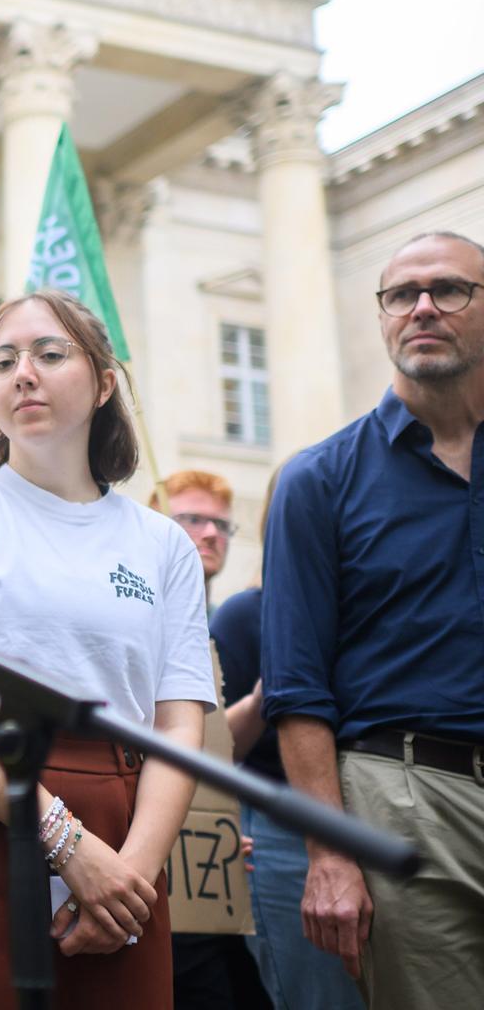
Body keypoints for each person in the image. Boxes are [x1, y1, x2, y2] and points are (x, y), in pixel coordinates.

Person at [0, 289, 214, 1010]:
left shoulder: (163, 544)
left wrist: (132, 877)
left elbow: (180, 723)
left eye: (49, 354)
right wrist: (66, 844)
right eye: (2, 361)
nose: (23, 373)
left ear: (104, 382)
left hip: (125, 837)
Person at [262, 230, 484, 1009]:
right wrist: (331, 851)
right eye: (401, 294)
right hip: (408, 798)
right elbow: (296, 685)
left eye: (449, 290)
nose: (422, 308)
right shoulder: (319, 480)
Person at [209, 466, 363, 1010]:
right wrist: (262, 698)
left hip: (372, 813)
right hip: (279, 832)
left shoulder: (365, 611)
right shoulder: (244, 615)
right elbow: (212, 749)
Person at [154, 469, 272, 1010]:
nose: (210, 533)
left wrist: (219, 823)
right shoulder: (143, 619)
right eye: (192, 519)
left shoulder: (223, 617)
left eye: (221, 523)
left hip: (214, 858)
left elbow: (220, 748)